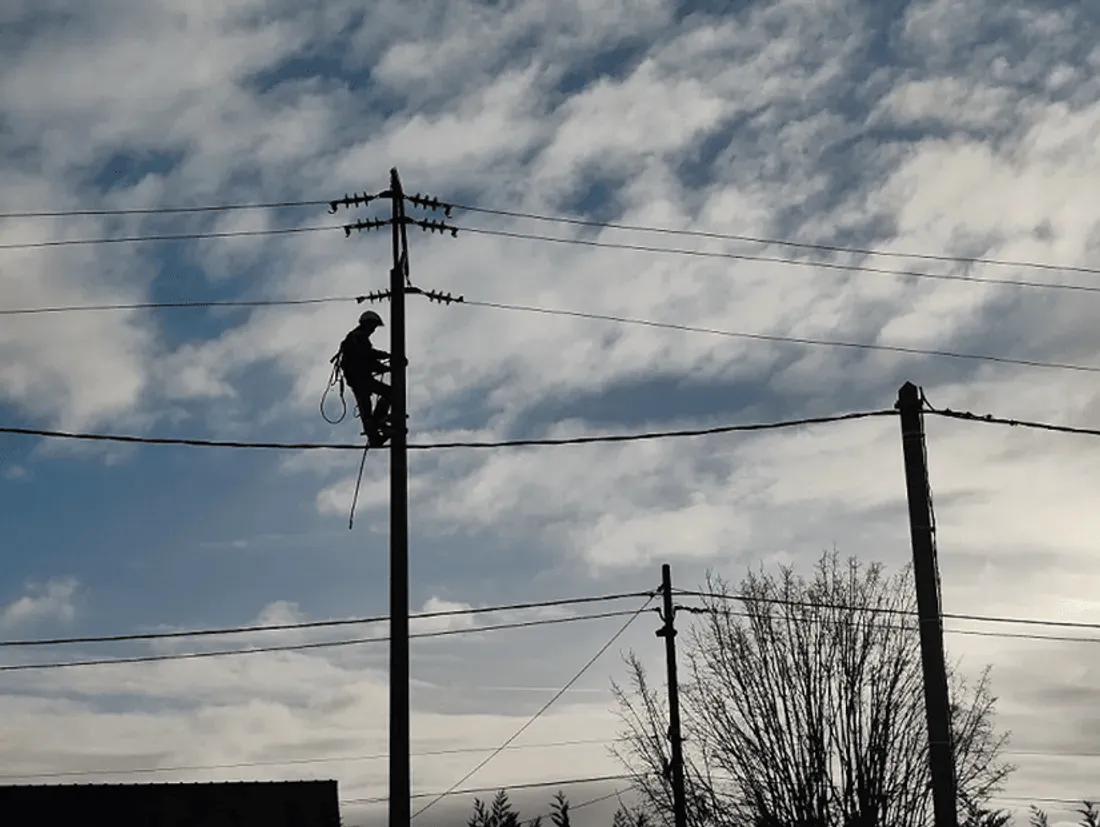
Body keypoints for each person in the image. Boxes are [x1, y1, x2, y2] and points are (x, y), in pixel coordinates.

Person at [336, 310, 392, 446]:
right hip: (360, 378)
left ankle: (374, 433)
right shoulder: (358, 337)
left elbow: (366, 359)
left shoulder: (355, 338)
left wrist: (383, 366)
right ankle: (377, 423)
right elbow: (366, 356)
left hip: (358, 378)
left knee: (366, 408)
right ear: (367, 324)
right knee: (389, 393)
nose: (373, 330)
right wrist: (386, 358)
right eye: (373, 326)